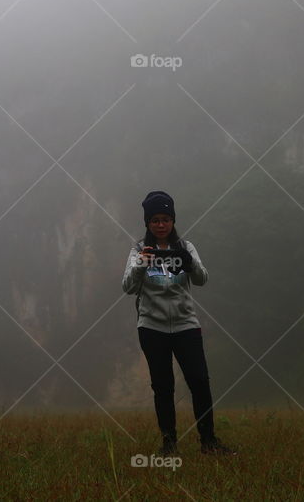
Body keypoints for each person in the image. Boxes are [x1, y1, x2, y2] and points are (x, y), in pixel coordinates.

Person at [122, 190, 236, 456]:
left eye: (165, 219)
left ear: (173, 220)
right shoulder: (139, 249)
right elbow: (127, 287)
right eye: (155, 220)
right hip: (152, 327)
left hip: (186, 324)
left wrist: (190, 263)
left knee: (199, 381)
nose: (160, 225)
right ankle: (169, 445)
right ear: (147, 223)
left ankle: (208, 442)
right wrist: (141, 264)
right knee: (163, 387)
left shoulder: (186, 247)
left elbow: (202, 279)